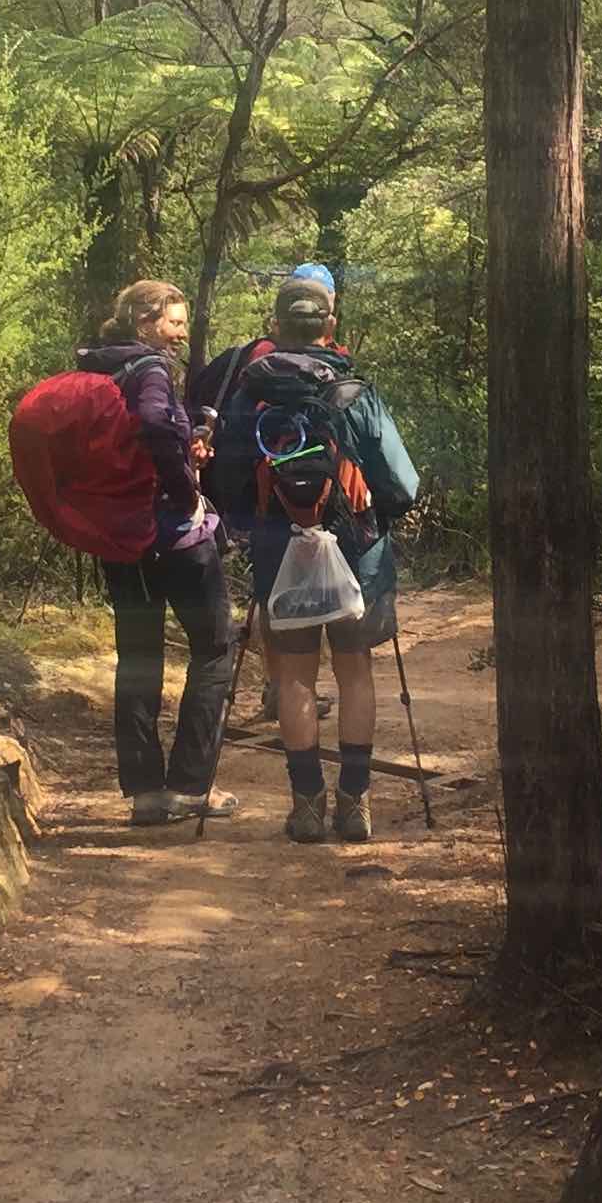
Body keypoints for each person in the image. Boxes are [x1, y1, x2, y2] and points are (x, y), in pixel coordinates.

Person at [210, 266, 418, 845]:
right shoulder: (355, 393)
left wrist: (263, 524)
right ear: (330, 325)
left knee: (296, 676)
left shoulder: (251, 393)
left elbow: (224, 482)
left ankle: (306, 806)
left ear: (276, 326)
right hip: (357, 547)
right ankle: (355, 805)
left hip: (281, 545)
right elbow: (403, 484)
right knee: (354, 672)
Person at [77, 280, 239, 829]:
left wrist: (183, 440)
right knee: (215, 650)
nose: (181, 331)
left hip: (121, 538)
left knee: (139, 658)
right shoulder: (150, 368)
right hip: (174, 536)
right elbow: (149, 424)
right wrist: (187, 490)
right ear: (146, 323)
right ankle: (190, 787)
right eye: (173, 321)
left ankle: (145, 793)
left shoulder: (99, 369)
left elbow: (134, 438)